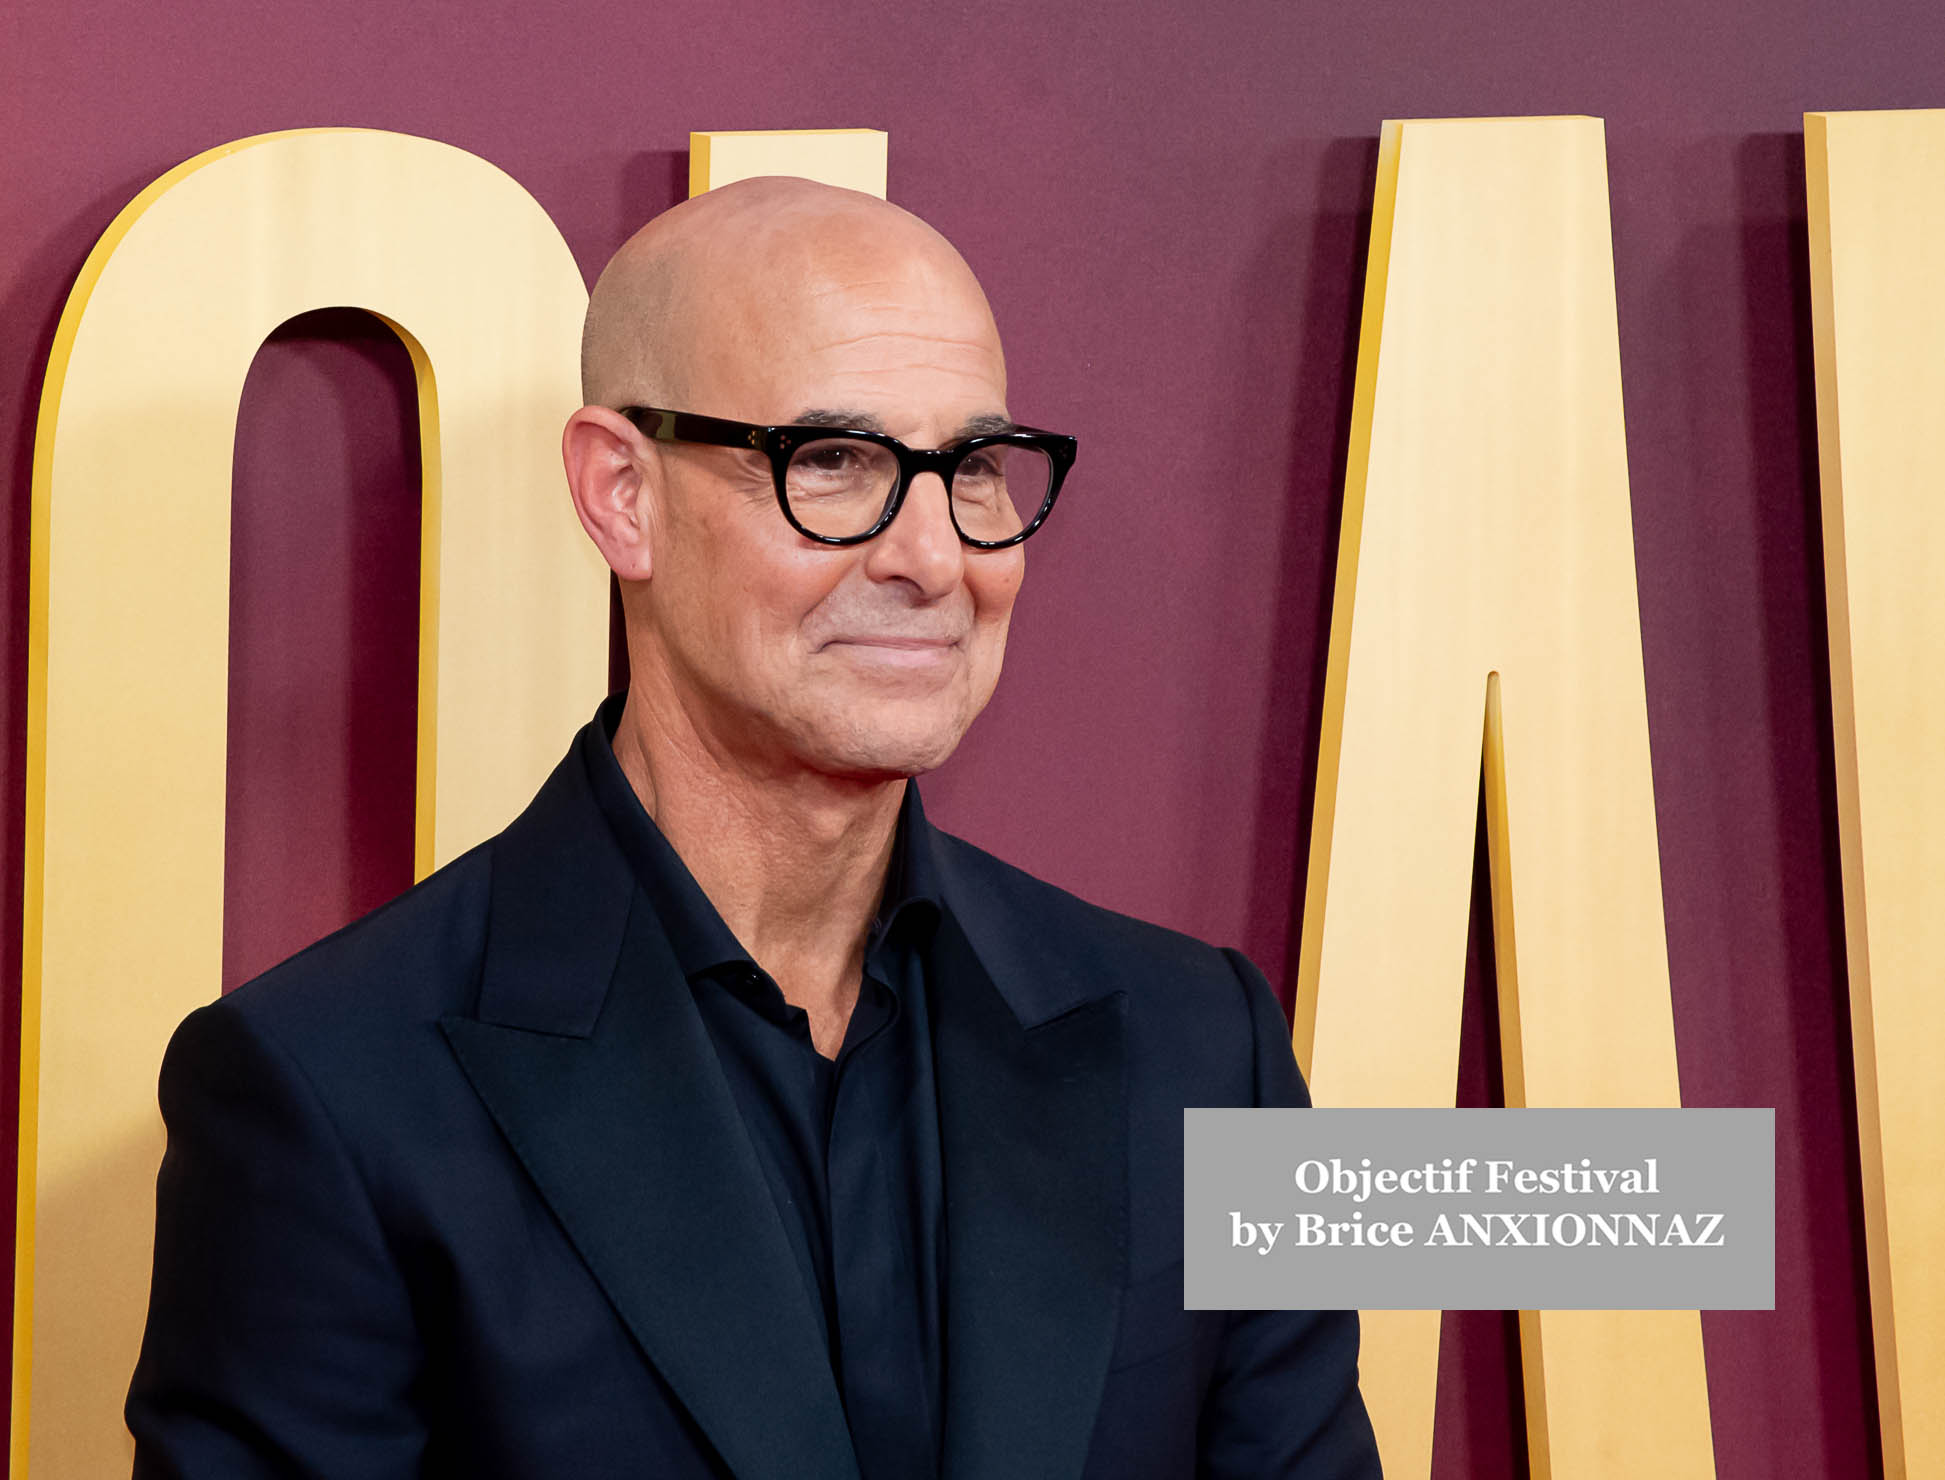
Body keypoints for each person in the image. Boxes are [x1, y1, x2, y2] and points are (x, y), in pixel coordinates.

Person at [125, 176, 1381, 1479]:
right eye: (832, 463)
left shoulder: (1208, 1046)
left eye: (972, 470)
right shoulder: (326, 1089)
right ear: (622, 494)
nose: (934, 558)